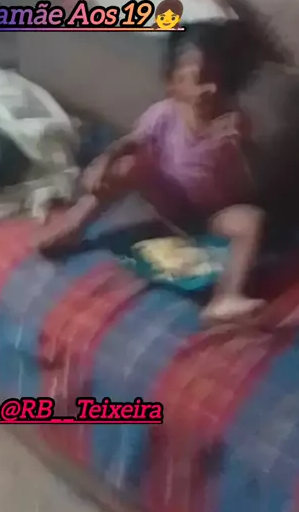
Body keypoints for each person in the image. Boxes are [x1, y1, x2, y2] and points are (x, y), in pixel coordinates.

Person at [35, 20, 266, 323]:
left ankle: (226, 297)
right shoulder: (164, 114)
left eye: (219, 81)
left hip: (212, 217)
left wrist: (243, 148)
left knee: (251, 220)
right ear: (173, 84)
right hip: (169, 202)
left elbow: (252, 181)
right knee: (130, 164)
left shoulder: (234, 122)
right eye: (200, 79)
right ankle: (72, 227)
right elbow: (130, 142)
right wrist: (102, 163)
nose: (210, 89)